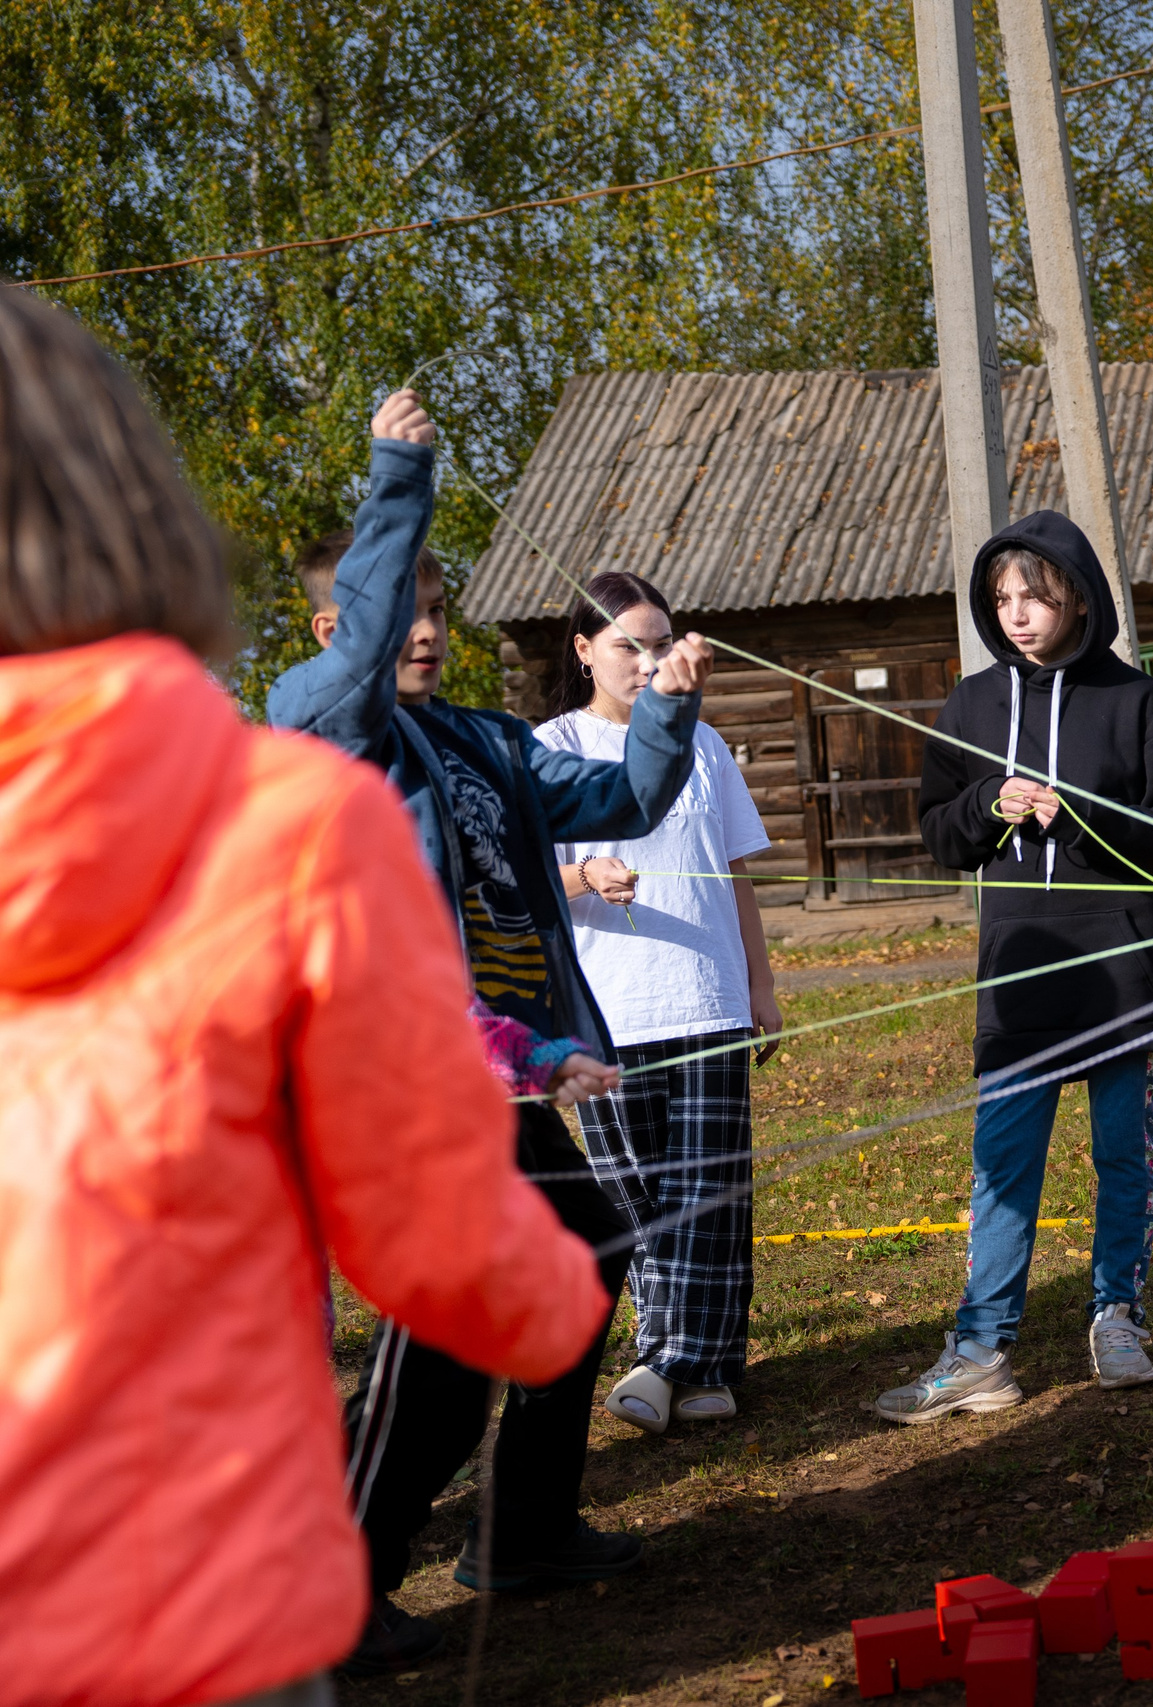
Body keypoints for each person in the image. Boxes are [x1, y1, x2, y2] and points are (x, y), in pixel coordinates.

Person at [0, 291, 605, 1705]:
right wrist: (552, 1292)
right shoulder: (288, 816)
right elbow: (433, 1230)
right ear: (123, 506)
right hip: (196, 1578)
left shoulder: (355, 784)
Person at [268, 388, 713, 1629]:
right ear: (339, 621)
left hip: (508, 1069)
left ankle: (520, 1535)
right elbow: (356, 662)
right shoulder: (316, 723)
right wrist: (398, 480)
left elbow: (625, 797)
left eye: (434, 610)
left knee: (584, 1262)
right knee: (446, 1355)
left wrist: (666, 702)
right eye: (400, 607)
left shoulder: (482, 742)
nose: (419, 629)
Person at [877, 510, 1153, 1422]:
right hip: (1022, 976)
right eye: (1004, 598)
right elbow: (941, 830)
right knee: (1004, 1161)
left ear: (1076, 597)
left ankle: (1118, 1319)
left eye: (1038, 595)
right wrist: (988, 800)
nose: (1019, 613)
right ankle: (982, 1349)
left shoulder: (1133, 699)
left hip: (1124, 969)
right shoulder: (972, 703)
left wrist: (1088, 812)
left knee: (1121, 1157)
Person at [534, 569, 782, 1434]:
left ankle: (685, 1362)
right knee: (634, 1196)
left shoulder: (703, 745)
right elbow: (523, 878)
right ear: (583, 650)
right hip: (606, 1012)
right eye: (625, 645)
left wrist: (759, 983)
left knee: (708, 1189)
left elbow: (737, 872)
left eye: (658, 643)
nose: (645, 662)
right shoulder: (551, 745)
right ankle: (682, 1353)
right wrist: (584, 873)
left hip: (707, 998)